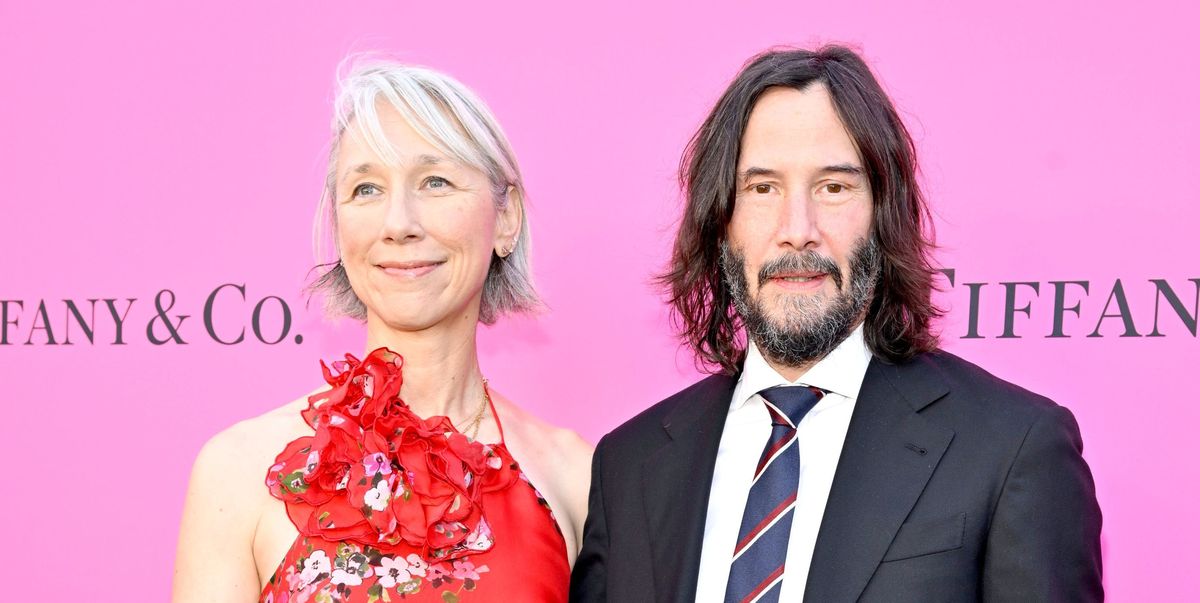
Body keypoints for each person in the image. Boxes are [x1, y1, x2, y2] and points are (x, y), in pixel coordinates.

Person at [570, 45, 1103, 602]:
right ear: (720, 221)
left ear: (883, 214)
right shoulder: (626, 469)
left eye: (833, 187)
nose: (797, 229)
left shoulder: (1014, 446)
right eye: (762, 188)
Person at [173, 58, 592, 603]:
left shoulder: (575, 478)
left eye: (435, 181)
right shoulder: (238, 471)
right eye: (366, 189)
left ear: (506, 217)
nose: (399, 224)